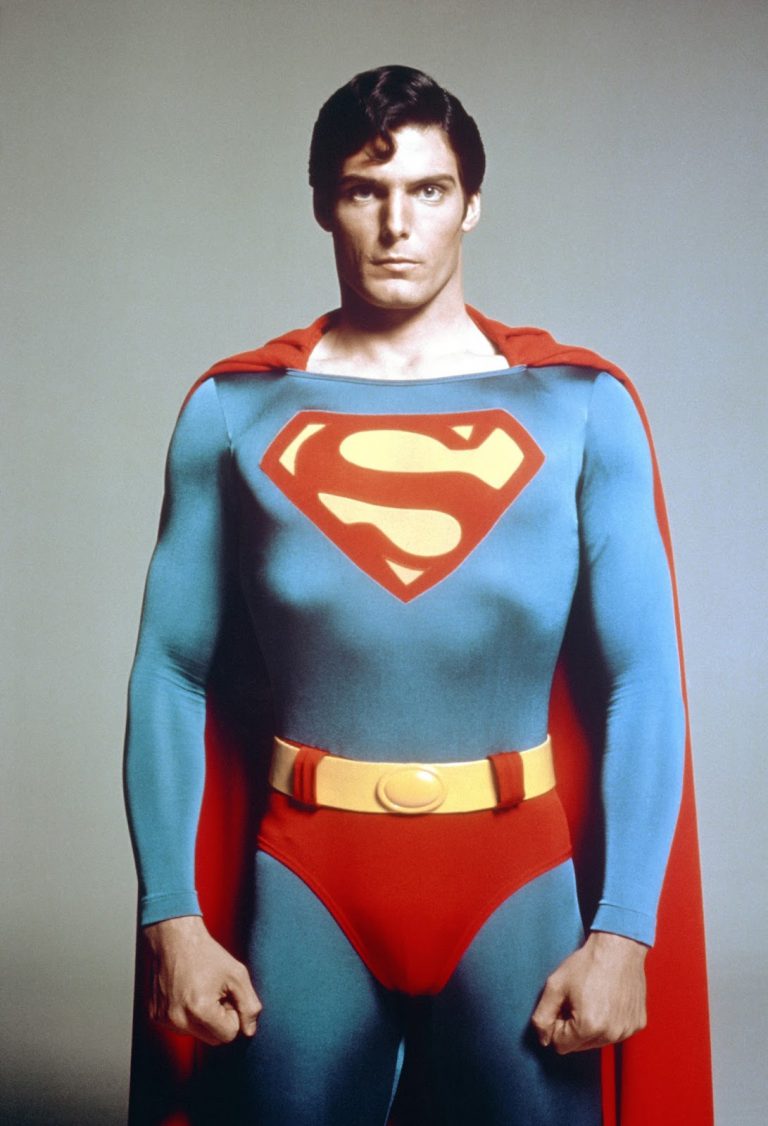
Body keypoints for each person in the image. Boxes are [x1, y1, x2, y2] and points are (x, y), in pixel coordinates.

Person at [124, 65, 711, 1125]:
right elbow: (171, 668)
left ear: (470, 204)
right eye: (366, 190)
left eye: (429, 191)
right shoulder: (234, 411)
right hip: (308, 875)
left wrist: (624, 931)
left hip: (516, 878)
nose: (398, 225)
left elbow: (642, 680)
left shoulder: (580, 406)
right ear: (324, 204)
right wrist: (172, 917)